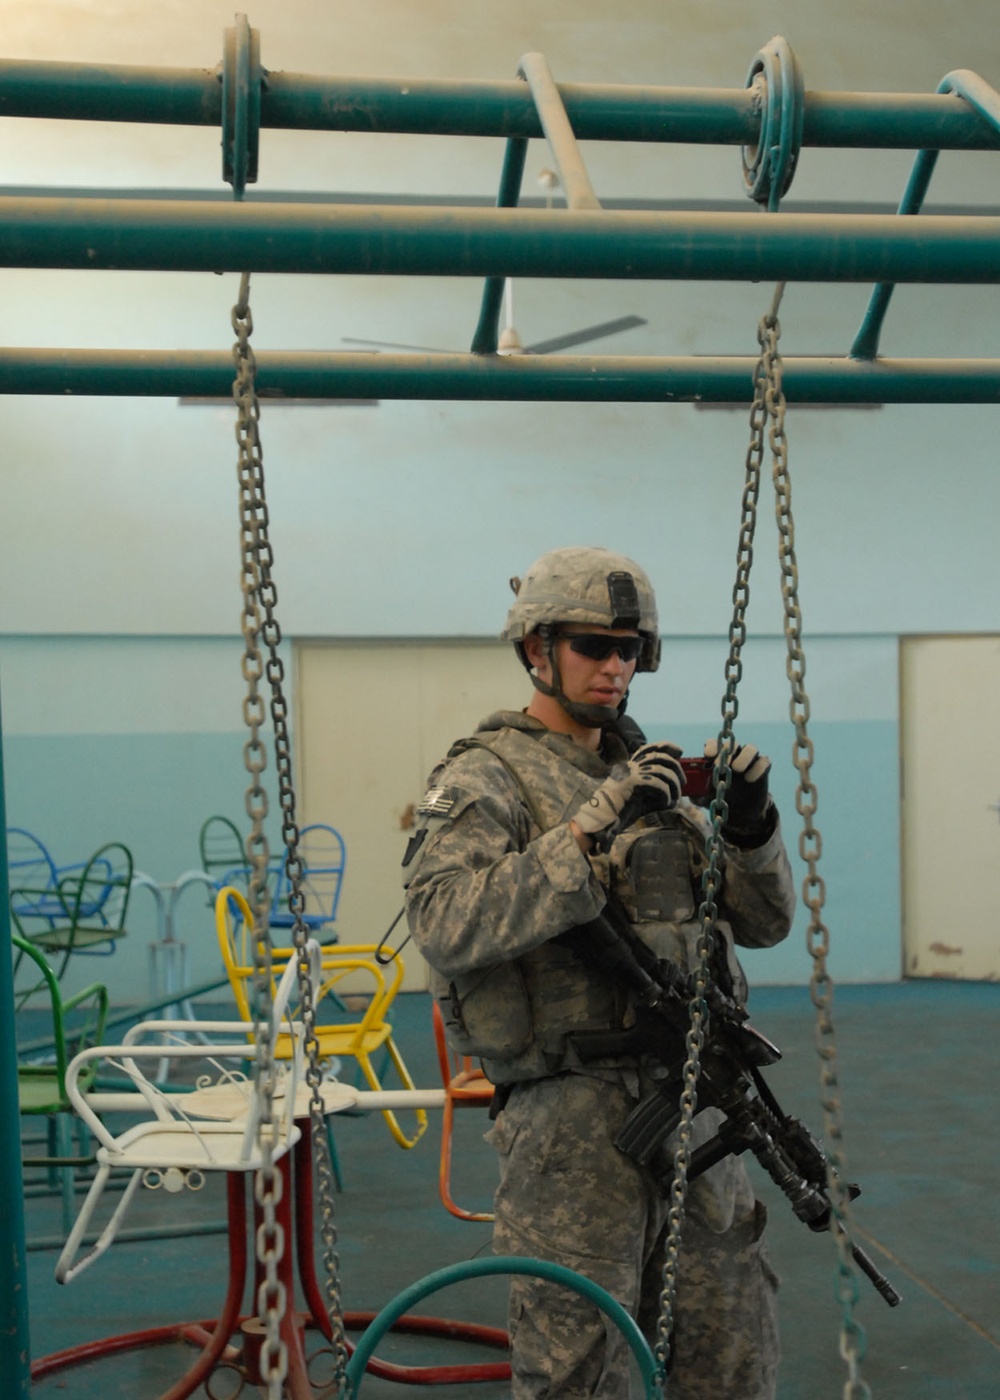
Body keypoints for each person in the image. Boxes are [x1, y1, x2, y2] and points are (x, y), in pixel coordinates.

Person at [402, 546, 797, 1399]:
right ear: (536, 650)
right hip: (573, 1123)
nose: (615, 666)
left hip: (694, 1104)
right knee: (580, 1365)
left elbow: (763, 925)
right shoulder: (486, 778)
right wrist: (579, 837)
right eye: (592, 646)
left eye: (631, 650)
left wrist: (753, 831)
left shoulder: (648, 776)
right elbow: (443, 921)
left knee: (729, 1350)